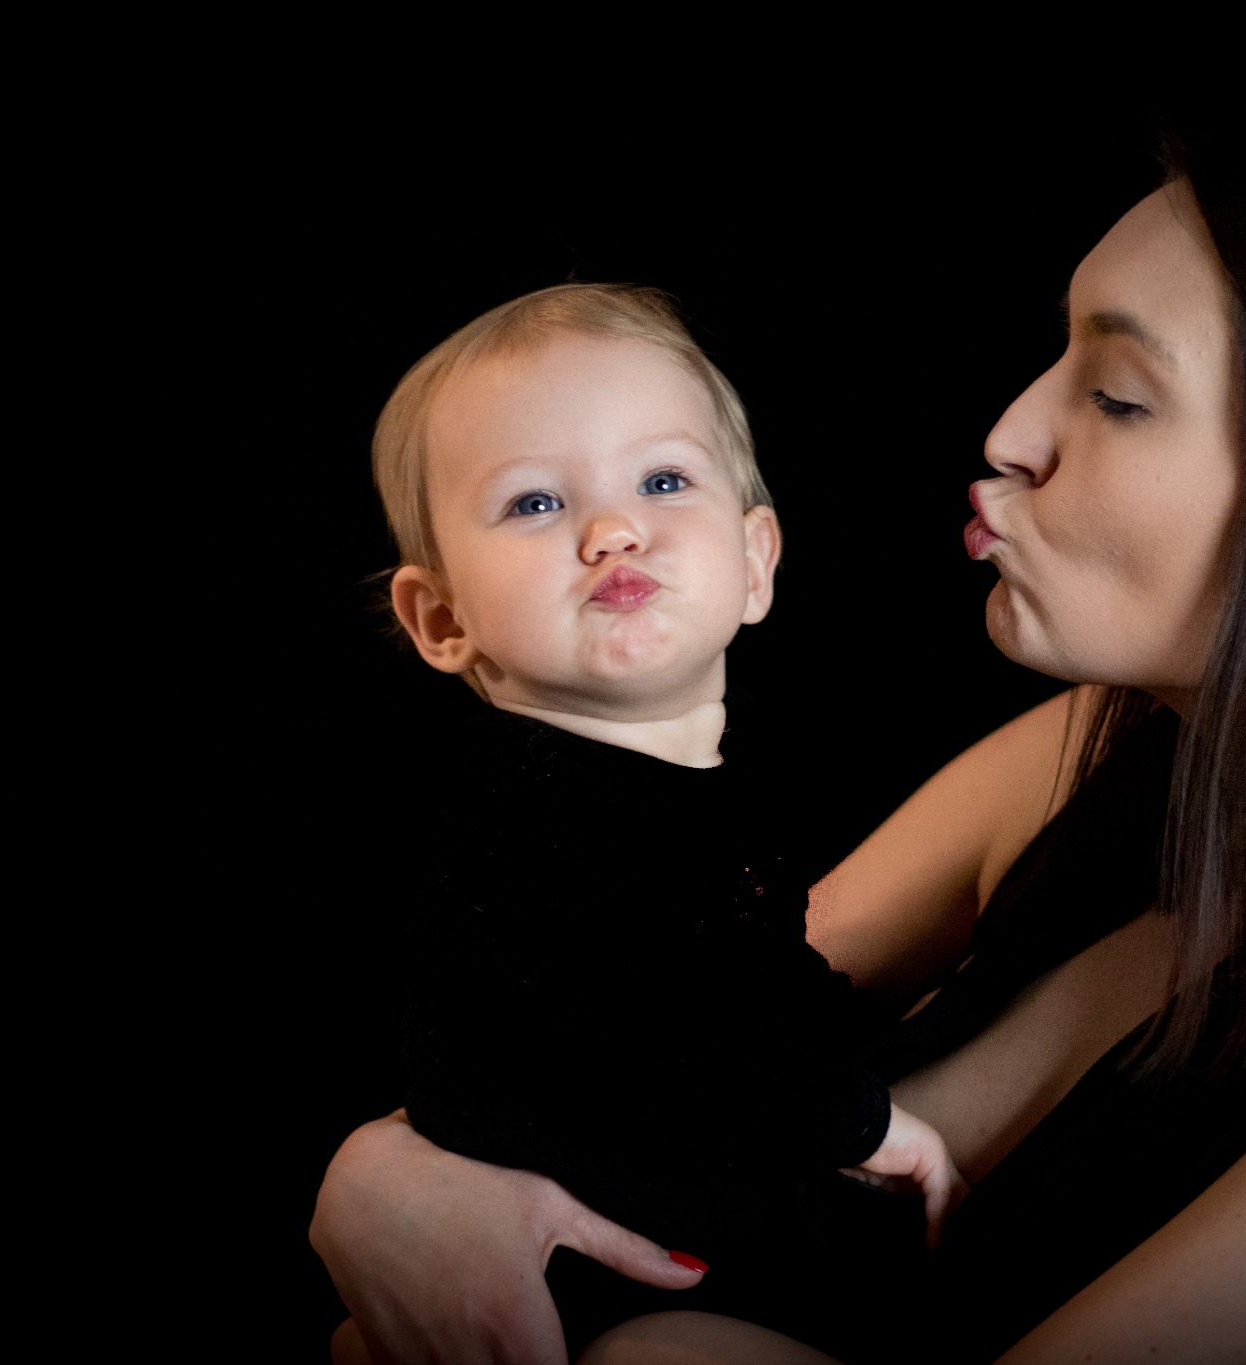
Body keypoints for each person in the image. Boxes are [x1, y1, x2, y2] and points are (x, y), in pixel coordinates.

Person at [312, 122, 1246, 1363]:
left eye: (1115, 392)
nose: (1011, 430)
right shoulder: (1084, 760)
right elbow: (642, 1009)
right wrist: (383, 1179)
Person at [359, 283, 963, 1359]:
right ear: (440, 618)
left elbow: (756, 979)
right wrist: (867, 1124)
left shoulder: (673, 795)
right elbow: (720, 1020)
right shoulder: (537, 809)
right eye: (536, 503)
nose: (612, 528)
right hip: (578, 1281)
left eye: (663, 479)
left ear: (756, 563)